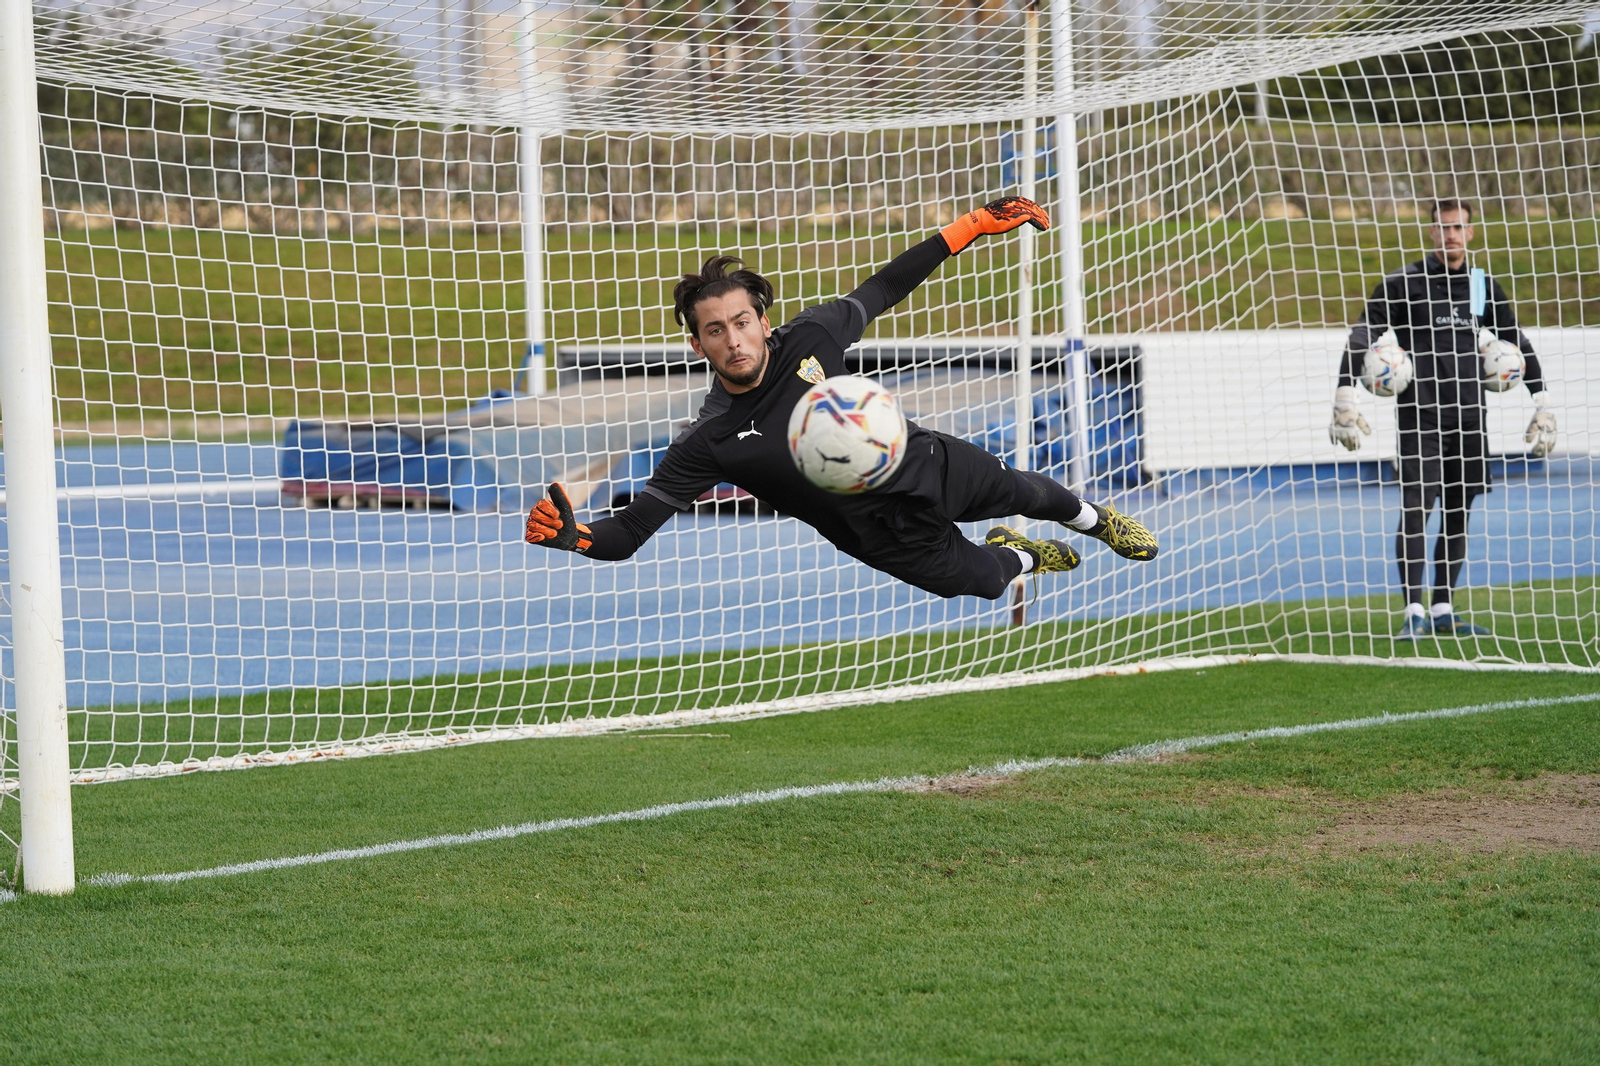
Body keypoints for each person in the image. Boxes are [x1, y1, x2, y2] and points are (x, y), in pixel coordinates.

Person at [524, 196, 1158, 600]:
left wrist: (969, 228)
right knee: (987, 582)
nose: (733, 339)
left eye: (742, 322)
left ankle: (1100, 522)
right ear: (697, 346)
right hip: (878, 536)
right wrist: (575, 537)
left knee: (1028, 492)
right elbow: (631, 532)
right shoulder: (706, 443)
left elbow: (884, 286)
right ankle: (1022, 553)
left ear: (763, 323)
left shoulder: (816, 334)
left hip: (923, 462)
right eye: (715, 330)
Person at [1329, 197, 1557, 639]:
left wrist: (1542, 401)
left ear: (1470, 233)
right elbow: (1363, 332)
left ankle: (1442, 610)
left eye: (1458, 228)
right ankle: (1413, 610)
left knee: (1458, 512)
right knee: (1416, 509)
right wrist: (1344, 393)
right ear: (1431, 232)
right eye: (1442, 227)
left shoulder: (1478, 285)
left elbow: (1515, 339)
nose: (1450, 234)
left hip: (1470, 418)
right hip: (1420, 417)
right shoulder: (1405, 283)